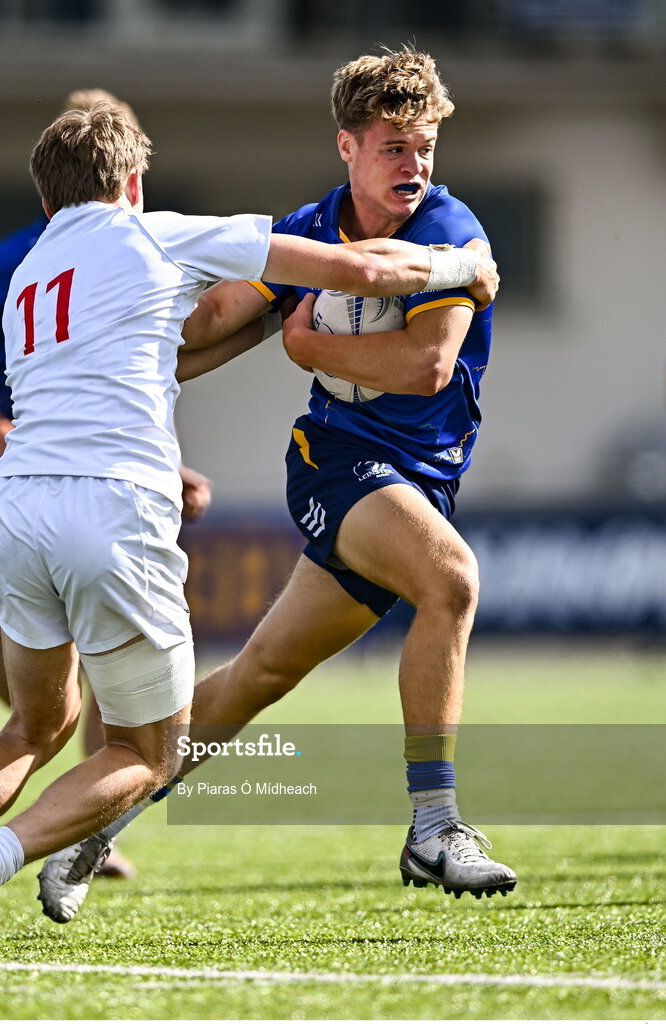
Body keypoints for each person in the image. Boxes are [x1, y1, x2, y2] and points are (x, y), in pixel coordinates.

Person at [0, 99, 497, 953]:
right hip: (111, 514)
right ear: (133, 182)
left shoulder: (29, 276)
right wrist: (460, 269)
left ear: (47, 202)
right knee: (148, 752)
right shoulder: (157, 234)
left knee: (32, 728)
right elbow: (363, 274)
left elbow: (154, 356)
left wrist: (267, 327)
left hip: (13, 509)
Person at [36, 46, 516, 925]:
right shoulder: (311, 222)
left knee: (256, 676)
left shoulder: (451, 231)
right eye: (392, 147)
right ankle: (436, 825)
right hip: (336, 463)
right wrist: (135, 343)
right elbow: (219, 317)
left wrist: (308, 345)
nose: (413, 167)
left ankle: (93, 825)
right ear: (347, 145)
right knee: (450, 580)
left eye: (424, 147)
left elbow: (428, 366)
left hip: (419, 477)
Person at [0, 89, 210, 880]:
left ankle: (87, 826)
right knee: (67, 701)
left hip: (83, 483)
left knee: (82, 681)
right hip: (32, 480)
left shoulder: (114, 246)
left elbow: (117, 384)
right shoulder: (25, 254)